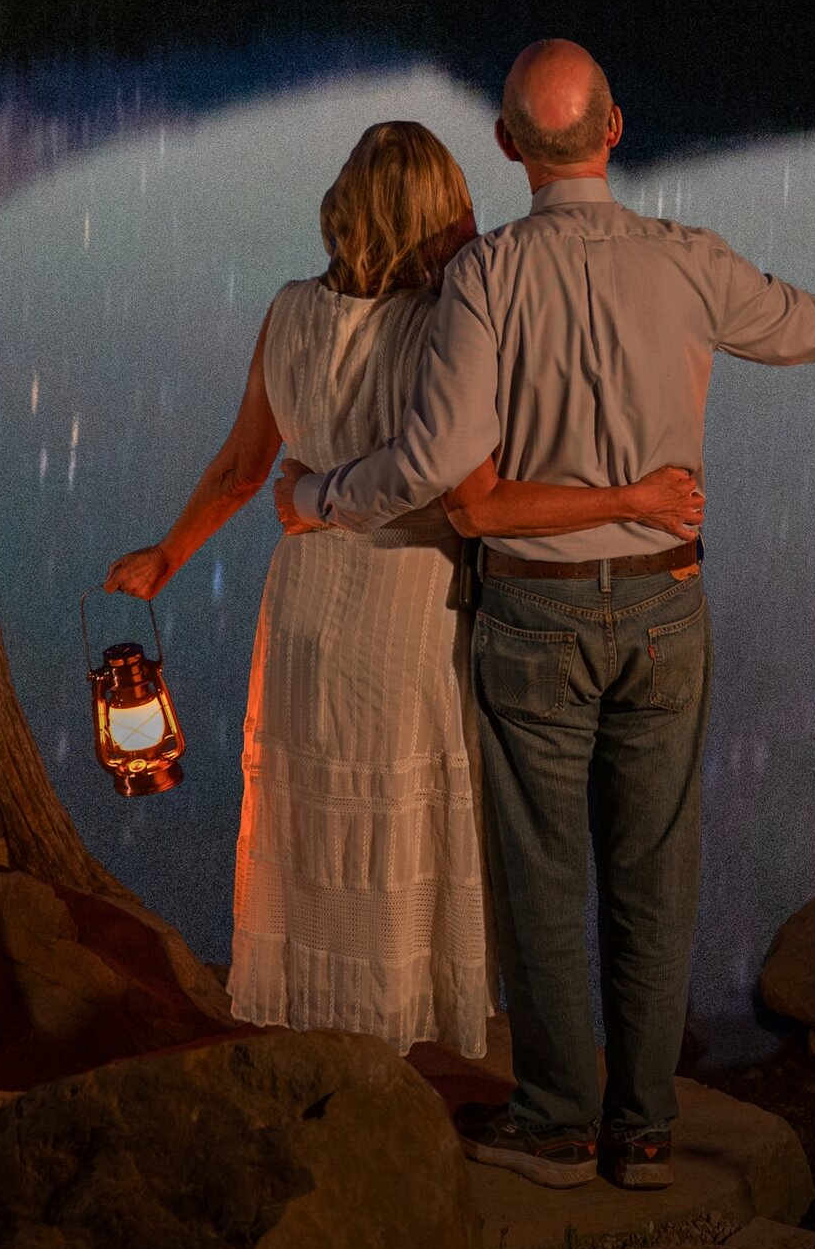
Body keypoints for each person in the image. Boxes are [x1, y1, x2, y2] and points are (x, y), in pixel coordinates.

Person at [277, 39, 815, 1188]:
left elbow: (430, 462)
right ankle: (645, 1127)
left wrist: (314, 495)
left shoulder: (484, 278)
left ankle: (559, 1121)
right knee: (655, 873)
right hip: (664, 605)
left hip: (530, 615)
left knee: (543, 877)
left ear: (509, 146)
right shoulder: (688, 261)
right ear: (614, 130)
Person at [105, 118, 701, 1058]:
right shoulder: (451, 326)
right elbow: (475, 499)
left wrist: (167, 557)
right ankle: (400, 1046)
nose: (475, 218)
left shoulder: (288, 311)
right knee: (403, 829)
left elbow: (240, 469)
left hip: (301, 605)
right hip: (410, 607)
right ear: (430, 216)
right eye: (460, 201)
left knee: (310, 819)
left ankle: (317, 1028)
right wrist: (625, 496)